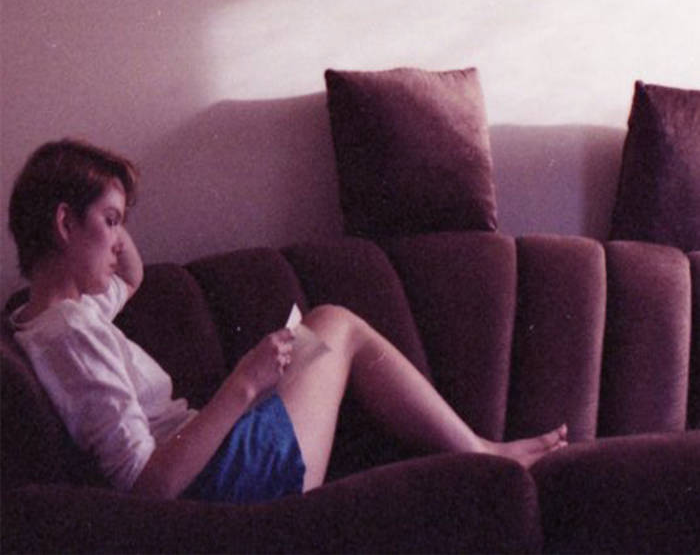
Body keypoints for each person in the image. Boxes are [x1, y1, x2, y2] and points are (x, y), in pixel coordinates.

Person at [7, 138, 567, 504]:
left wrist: (111, 200)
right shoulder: (72, 335)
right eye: (109, 222)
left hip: (218, 461)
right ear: (64, 223)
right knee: (338, 327)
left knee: (323, 325)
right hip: (226, 486)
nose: (119, 241)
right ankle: (481, 455)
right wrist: (244, 384)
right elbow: (148, 486)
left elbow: (130, 277)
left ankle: (477, 452)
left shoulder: (52, 317)